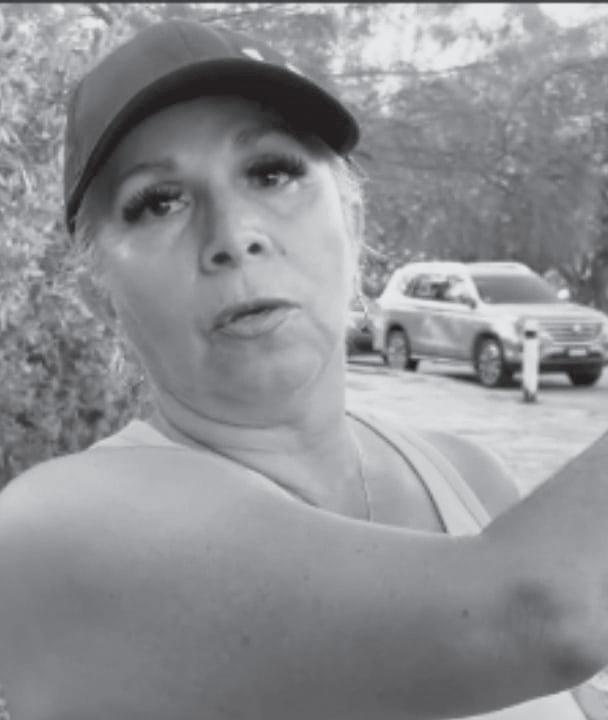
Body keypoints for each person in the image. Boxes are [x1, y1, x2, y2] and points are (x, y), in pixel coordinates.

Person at [0, 17, 607, 720]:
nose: (233, 236)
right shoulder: (50, 528)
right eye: (158, 202)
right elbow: (543, 615)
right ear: (95, 291)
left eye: (272, 172)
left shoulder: (466, 475)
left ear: (352, 221)